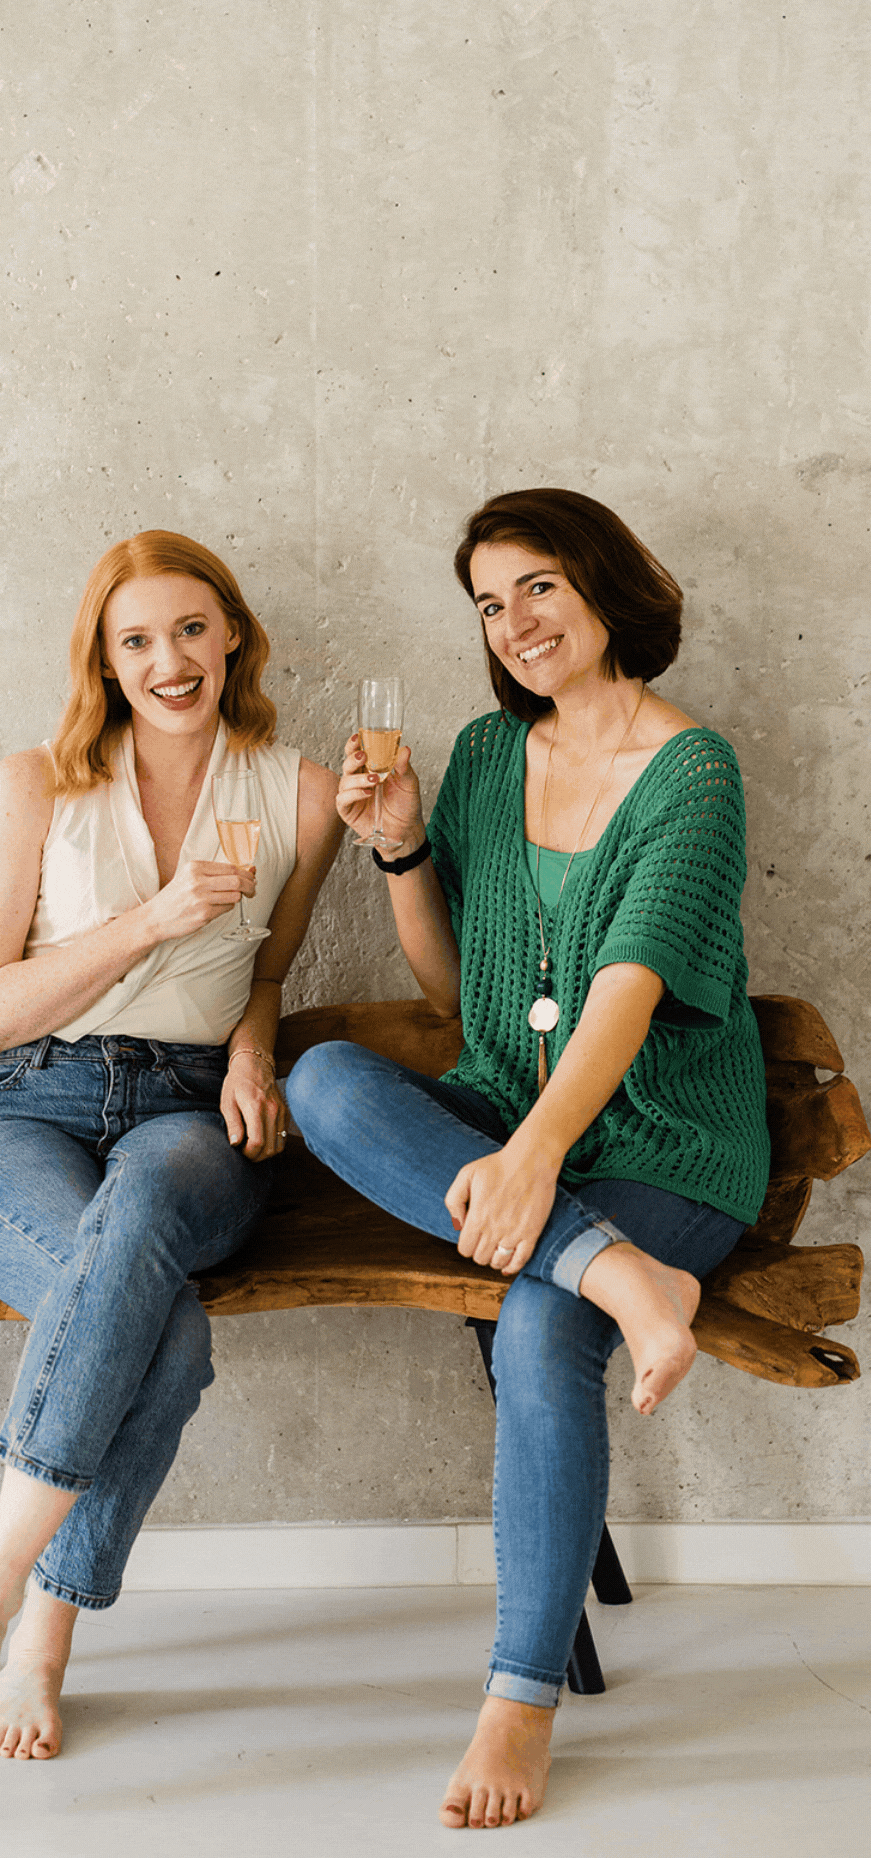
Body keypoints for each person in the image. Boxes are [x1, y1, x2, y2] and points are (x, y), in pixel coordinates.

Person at [284, 489, 770, 1830]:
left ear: (609, 587)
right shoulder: (489, 759)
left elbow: (621, 993)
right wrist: (400, 852)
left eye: (540, 587)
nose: (517, 624)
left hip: (667, 1137)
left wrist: (537, 1161)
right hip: (514, 1116)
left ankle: (518, 1698)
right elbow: (465, 993)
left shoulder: (697, 770)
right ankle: (624, 1280)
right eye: (492, 606)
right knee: (323, 1078)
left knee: (538, 1320)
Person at [0, 529, 341, 1759]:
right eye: (136, 639)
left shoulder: (299, 794)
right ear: (104, 656)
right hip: (18, 1103)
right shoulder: (34, 782)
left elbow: (272, 965)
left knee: (144, 1219)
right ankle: (36, 1628)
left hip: (190, 1112)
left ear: (234, 632)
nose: (170, 660)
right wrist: (151, 919)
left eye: (191, 628)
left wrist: (254, 1049)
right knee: (169, 1322)